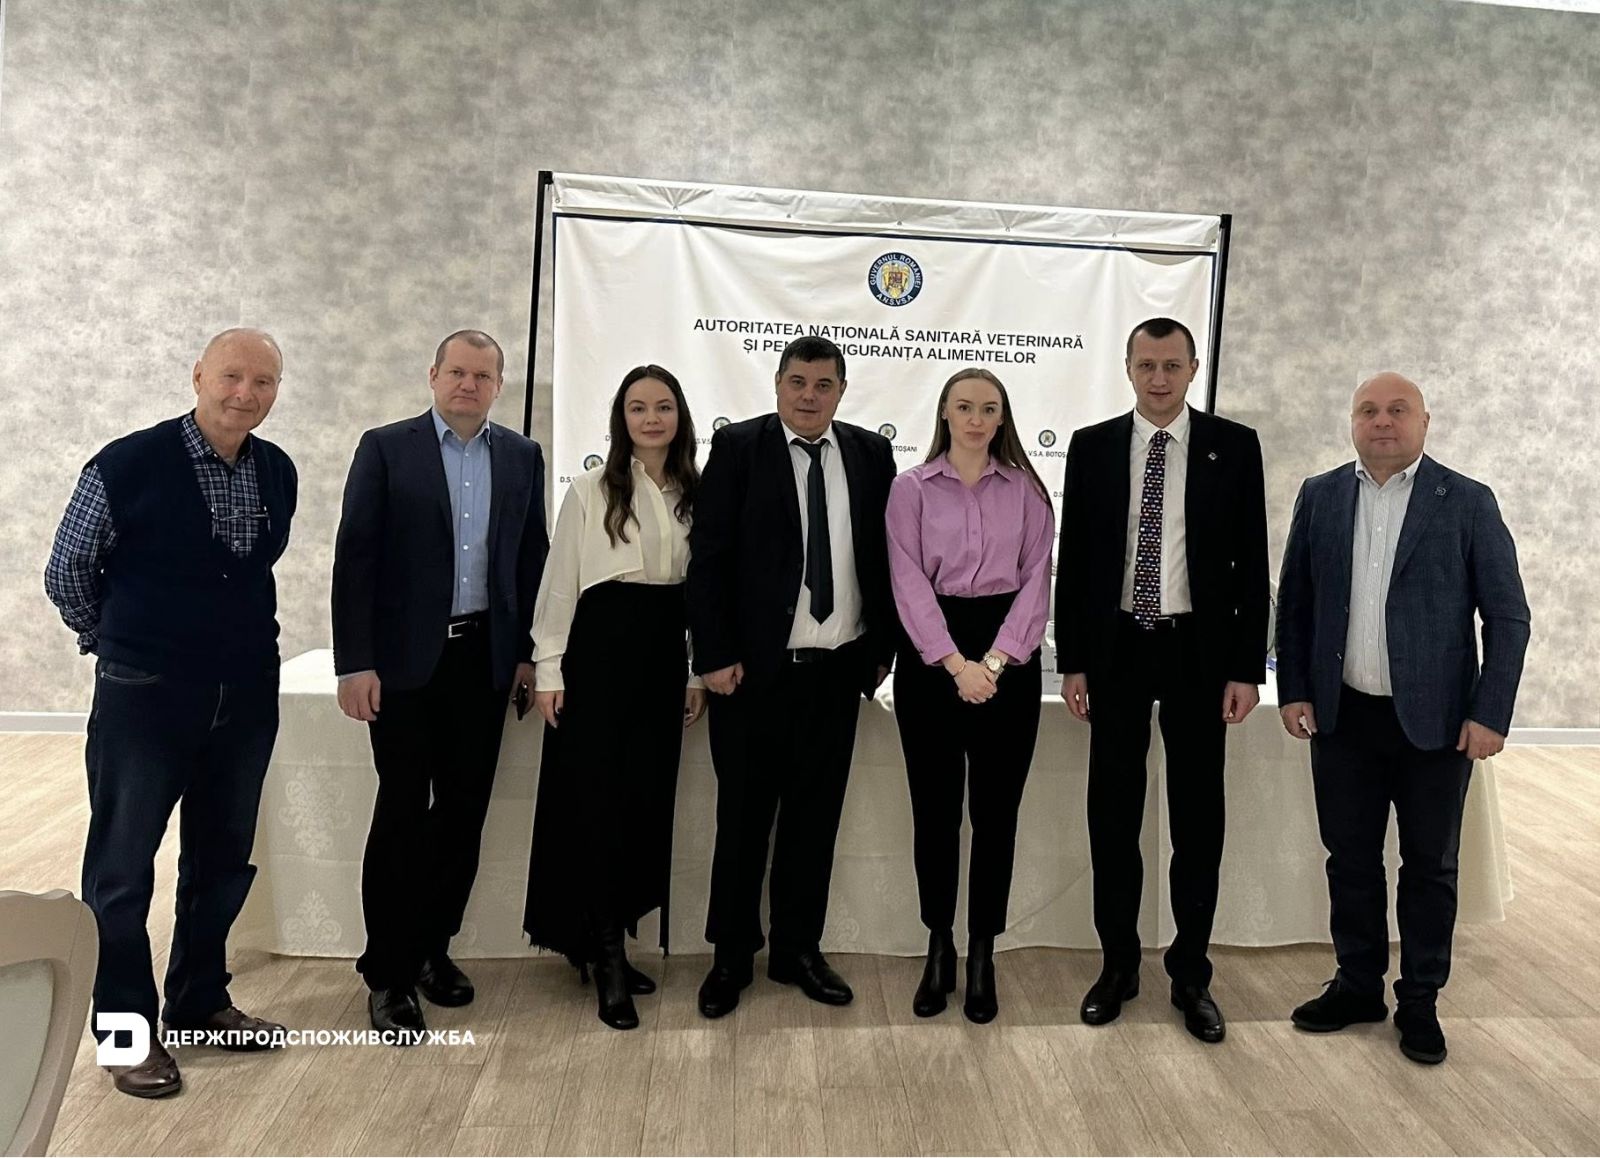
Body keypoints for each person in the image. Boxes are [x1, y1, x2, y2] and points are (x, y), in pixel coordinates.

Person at [44, 328, 297, 1098]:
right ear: (198, 376)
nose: (245, 394)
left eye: (262, 381)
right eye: (231, 376)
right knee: (122, 871)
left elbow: (250, 573)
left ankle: (198, 999)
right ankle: (125, 1034)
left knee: (222, 860)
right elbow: (66, 572)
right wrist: (117, 641)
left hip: (245, 693)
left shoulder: (276, 470)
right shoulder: (125, 465)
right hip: (145, 695)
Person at [1275, 372, 1530, 1065]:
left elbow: (1508, 617)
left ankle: (1419, 999)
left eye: (1397, 410)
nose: (1382, 421)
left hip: (1437, 726)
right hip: (1343, 717)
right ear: (1352, 422)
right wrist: (1295, 689)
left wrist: (1490, 712)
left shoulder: (1468, 501)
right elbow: (1295, 603)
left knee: (1431, 867)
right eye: (1368, 410)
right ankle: (1358, 985)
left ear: (1424, 422)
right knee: (1350, 861)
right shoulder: (1321, 495)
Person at [1055, 317, 1268, 1044]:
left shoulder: (1233, 446)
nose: (1158, 378)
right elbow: (1076, 562)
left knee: (1198, 820)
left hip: (1197, 655)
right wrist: (1073, 659)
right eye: (1146, 364)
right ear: (1127, 367)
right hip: (1116, 649)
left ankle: (1190, 975)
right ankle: (1118, 965)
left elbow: (1252, 563)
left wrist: (1245, 667)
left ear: (1193, 368)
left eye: (1172, 365)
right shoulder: (1092, 446)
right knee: (1113, 816)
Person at [331, 329, 548, 1041]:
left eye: (483, 375)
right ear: (433, 376)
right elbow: (355, 559)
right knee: (401, 813)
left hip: (483, 663)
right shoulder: (385, 448)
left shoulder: (521, 456)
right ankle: (388, 973)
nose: (468, 384)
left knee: (461, 815)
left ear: (498, 386)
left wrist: (527, 656)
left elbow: (531, 559)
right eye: (457, 371)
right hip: (401, 668)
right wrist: (354, 662)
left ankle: (431, 948)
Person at [687, 335, 897, 1019]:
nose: (809, 396)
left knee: (814, 821)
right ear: (777, 384)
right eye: (798, 382)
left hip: (835, 674)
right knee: (743, 822)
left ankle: (797, 951)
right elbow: (709, 558)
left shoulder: (871, 454)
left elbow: (884, 557)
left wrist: (880, 651)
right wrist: (713, 655)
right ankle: (730, 957)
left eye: (823, 385)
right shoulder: (738, 448)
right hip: (751, 675)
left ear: (842, 391)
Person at [524, 365, 707, 1030]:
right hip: (599, 653)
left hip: (662, 654)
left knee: (643, 803)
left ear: (680, 417)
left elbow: (701, 594)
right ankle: (601, 955)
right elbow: (560, 583)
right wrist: (549, 668)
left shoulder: (696, 492)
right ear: (621, 418)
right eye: (638, 407)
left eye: (663, 406)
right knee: (595, 805)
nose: (651, 418)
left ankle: (617, 943)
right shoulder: (591, 488)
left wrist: (694, 671)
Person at [885, 369, 1054, 1023]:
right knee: (934, 813)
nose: (977, 419)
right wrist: (955, 664)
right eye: (965, 407)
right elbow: (906, 582)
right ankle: (940, 945)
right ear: (945, 414)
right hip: (931, 657)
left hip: (1006, 658)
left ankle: (983, 950)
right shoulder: (910, 489)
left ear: (1003, 417)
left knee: (996, 815)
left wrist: (995, 662)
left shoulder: (1028, 491)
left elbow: (1037, 583)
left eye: (989, 408)